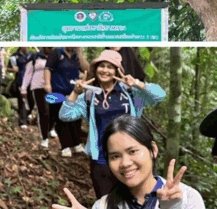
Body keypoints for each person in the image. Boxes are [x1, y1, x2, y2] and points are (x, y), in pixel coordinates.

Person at [52, 116, 207, 209]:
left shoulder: (189, 199)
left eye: (132, 151)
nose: (125, 163)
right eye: (115, 156)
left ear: (153, 150)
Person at [59, 49, 166, 199]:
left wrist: (135, 83)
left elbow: (160, 95)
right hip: (101, 159)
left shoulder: (130, 93)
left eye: (110, 67)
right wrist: (75, 92)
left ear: (117, 70)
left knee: (135, 201)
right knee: (106, 203)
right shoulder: (89, 96)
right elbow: (65, 115)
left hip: (131, 159)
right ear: (95, 70)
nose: (105, 70)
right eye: (101, 66)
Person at [44, 47, 89, 157]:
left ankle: (76, 143)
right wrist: (47, 84)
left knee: (76, 118)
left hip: (74, 92)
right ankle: (65, 145)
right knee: (62, 119)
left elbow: (87, 69)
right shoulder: (57, 52)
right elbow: (48, 68)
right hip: (58, 91)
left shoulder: (76, 55)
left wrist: (80, 53)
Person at [21, 48, 52, 148]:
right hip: (38, 87)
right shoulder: (35, 57)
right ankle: (44, 138)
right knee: (44, 112)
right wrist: (24, 88)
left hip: (53, 87)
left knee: (53, 112)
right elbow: (28, 74)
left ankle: (51, 128)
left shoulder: (55, 56)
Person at [9, 47, 34, 128]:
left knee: (32, 101)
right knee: (22, 101)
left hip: (31, 81)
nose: (28, 47)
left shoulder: (31, 55)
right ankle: (22, 122)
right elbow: (7, 69)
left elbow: (43, 57)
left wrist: (36, 48)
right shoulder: (14, 56)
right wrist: (13, 70)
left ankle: (26, 114)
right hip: (20, 81)